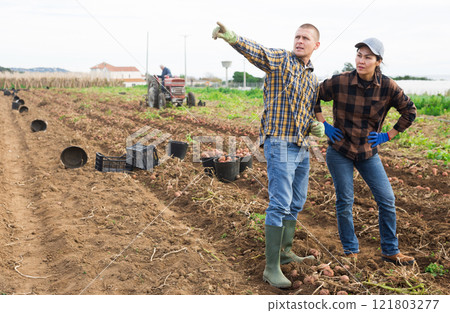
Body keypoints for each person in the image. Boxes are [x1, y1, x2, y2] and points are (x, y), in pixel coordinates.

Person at [213, 22, 325, 288]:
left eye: (305, 38)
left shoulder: (311, 77)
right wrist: (232, 37)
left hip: (301, 146)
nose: (299, 41)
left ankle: (285, 252)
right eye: (297, 36)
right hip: (280, 143)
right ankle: (271, 267)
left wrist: (314, 124)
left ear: (316, 45)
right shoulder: (281, 61)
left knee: (297, 201)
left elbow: (305, 110)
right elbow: (258, 52)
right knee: (280, 203)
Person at [315, 38, 417, 266]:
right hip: (340, 150)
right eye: (359, 55)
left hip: (368, 152)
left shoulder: (388, 87)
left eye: (368, 57)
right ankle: (350, 251)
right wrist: (323, 125)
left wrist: (388, 135)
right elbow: (313, 96)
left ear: (378, 62)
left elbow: (409, 111)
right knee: (345, 201)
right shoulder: (340, 81)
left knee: (387, 199)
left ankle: (391, 251)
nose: (362, 60)